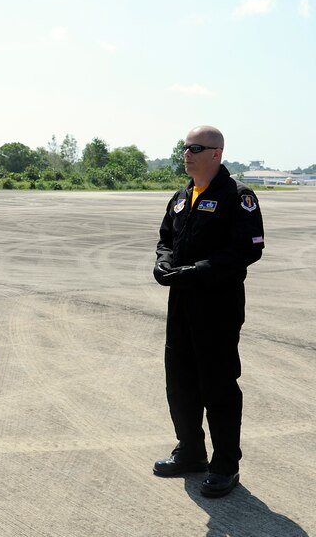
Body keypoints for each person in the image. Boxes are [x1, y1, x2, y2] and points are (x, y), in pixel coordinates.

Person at [151, 125, 265, 498]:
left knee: (217, 384)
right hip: (181, 301)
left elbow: (247, 249)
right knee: (180, 380)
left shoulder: (238, 196)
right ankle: (191, 451)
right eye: (184, 147)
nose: (187, 153)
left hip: (216, 304)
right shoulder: (182, 196)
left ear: (216, 153)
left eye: (195, 148)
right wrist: (163, 263)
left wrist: (198, 271)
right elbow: (166, 238)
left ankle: (225, 465)